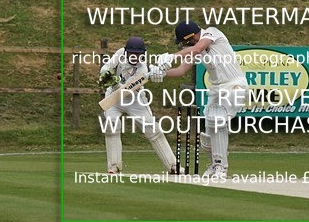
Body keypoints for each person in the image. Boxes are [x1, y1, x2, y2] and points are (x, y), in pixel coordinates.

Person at [150, 21, 248, 179]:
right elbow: (181, 69)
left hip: (234, 85)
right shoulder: (193, 49)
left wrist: (170, 56)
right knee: (207, 134)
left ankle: (221, 167)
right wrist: (161, 74)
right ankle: (214, 164)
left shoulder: (212, 33)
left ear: (191, 36)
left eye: (184, 41)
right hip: (216, 90)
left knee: (217, 120)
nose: (184, 45)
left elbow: (198, 48)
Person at [99, 36, 178, 174]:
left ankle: (173, 166)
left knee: (153, 130)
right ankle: (113, 166)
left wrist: (115, 82)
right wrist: (106, 75)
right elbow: (107, 67)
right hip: (113, 98)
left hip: (134, 98)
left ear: (143, 54)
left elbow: (127, 91)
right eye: (131, 54)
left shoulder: (142, 67)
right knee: (111, 126)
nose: (134, 57)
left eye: (138, 55)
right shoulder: (120, 54)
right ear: (126, 52)